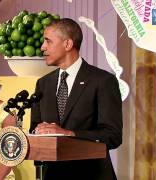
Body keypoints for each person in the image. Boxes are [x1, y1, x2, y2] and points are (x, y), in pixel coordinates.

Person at [30, 18, 123, 180]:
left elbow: (112, 135)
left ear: (67, 44)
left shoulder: (103, 81)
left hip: (92, 175)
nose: (42, 47)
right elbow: (35, 129)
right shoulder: (43, 84)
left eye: (48, 41)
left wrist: (69, 133)